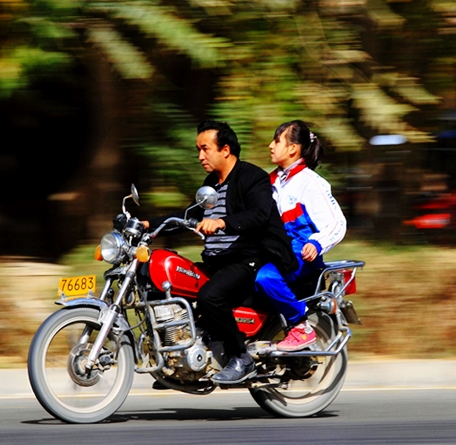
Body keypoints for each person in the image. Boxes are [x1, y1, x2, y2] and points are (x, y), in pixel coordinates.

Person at [143, 120, 297, 384]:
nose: (200, 155)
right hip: (218, 261)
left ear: (225, 149)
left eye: (205, 148)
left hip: (250, 259)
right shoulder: (211, 183)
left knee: (210, 296)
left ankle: (241, 357)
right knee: (169, 284)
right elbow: (189, 216)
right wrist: (147, 225)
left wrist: (223, 222)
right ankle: (178, 358)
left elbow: (260, 215)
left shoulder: (252, 177)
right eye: (198, 150)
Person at [255, 120, 347, 351]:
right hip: (275, 249)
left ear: (293, 149)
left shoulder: (310, 183)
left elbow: (337, 223)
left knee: (265, 278)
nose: (270, 145)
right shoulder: (272, 182)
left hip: (300, 254)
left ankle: (300, 326)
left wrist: (317, 243)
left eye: (277, 141)